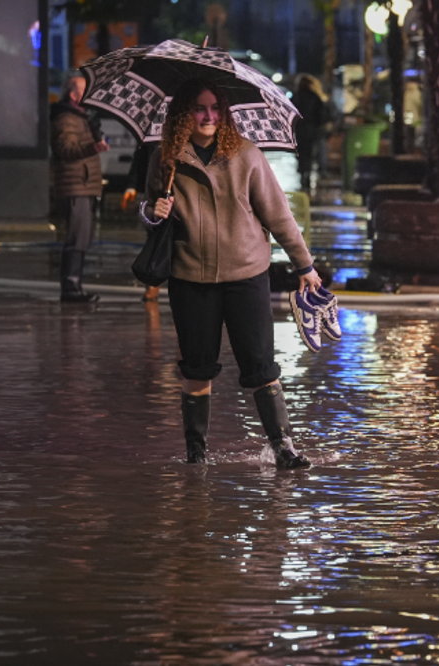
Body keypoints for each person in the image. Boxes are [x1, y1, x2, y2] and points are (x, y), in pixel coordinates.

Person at [142, 78, 322, 468]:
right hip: (190, 278)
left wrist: (304, 265)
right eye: (199, 108)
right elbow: (149, 213)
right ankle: (196, 455)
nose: (208, 116)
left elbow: (278, 214)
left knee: (261, 365)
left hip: (246, 275)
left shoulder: (246, 155)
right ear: (183, 114)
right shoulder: (165, 159)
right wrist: (153, 211)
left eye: (215, 108)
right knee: (196, 367)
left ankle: (284, 447)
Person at [50, 72, 110, 302]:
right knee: (77, 237)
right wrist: (92, 148)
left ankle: (74, 285)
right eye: (85, 91)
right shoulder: (67, 118)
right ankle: (71, 287)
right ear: (73, 95)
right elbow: (65, 150)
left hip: (83, 185)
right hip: (75, 185)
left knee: (83, 237)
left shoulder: (82, 117)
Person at [121, 142, 161, 301]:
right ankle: (152, 283)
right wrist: (132, 185)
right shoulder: (153, 137)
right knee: (153, 238)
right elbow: (140, 157)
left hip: (182, 193)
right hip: (155, 190)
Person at [292, 74, 329, 191]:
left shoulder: (295, 98)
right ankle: (307, 174)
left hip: (298, 131)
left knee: (301, 154)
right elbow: (321, 116)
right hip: (312, 131)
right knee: (309, 154)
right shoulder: (315, 97)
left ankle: (302, 174)